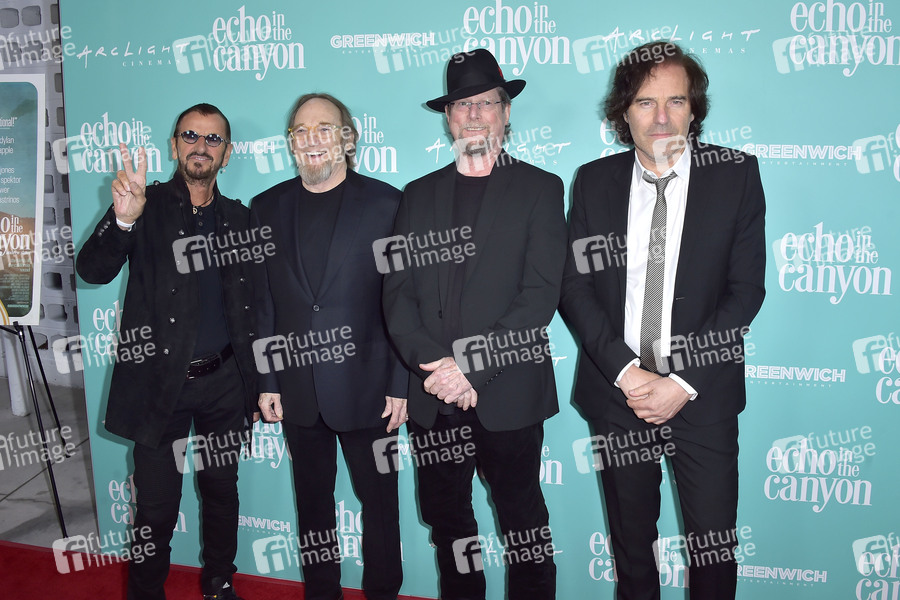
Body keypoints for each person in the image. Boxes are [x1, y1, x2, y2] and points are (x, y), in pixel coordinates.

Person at [559, 41, 766, 600]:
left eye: (676, 101)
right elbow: (574, 287)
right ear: (622, 113)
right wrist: (627, 373)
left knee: (712, 549)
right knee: (631, 548)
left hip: (703, 394)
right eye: (645, 103)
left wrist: (681, 381)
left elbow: (746, 292)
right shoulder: (594, 181)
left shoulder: (735, 175)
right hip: (617, 396)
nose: (661, 118)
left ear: (694, 109)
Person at [382, 49, 567, 600]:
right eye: (462, 105)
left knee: (523, 526)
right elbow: (396, 295)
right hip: (434, 395)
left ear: (506, 113)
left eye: (486, 103)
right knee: (449, 525)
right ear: (447, 117)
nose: (474, 115)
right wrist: (439, 371)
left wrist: (469, 369)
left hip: (507, 392)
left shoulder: (541, 188)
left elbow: (540, 296)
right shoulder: (417, 195)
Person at [76, 103, 259, 600]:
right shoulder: (144, 204)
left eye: (213, 138)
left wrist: (258, 383)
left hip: (225, 384)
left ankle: (220, 582)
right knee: (155, 508)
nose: (201, 146)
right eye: (190, 135)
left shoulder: (240, 218)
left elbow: (253, 308)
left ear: (227, 153)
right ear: (175, 145)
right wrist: (122, 220)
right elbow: (92, 270)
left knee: (221, 491)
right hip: (160, 386)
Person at [252, 93, 406, 600]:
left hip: (371, 390)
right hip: (297, 390)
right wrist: (268, 380)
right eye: (300, 130)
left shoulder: (388, 204)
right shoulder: (266, 207)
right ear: (290, 142)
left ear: (347, 138)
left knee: (380, 506)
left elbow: (402, 303)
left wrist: (401, 383)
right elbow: (264, 305)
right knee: (312, 508)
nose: (311, 139)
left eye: (324, 128)